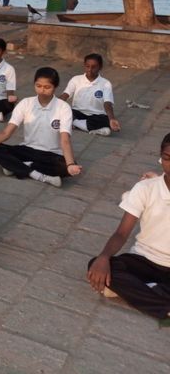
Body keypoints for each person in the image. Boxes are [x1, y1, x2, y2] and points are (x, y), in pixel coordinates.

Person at [87, 133, 170, 323]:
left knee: (107, 285)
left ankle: (144, 292)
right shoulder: (146, 188)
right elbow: (122, 233)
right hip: (143, 260)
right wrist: (104, 256)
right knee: (98, 266)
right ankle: (162, 303)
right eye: (167, 158)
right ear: (160, 157)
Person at [0, 67, 82, 188]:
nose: (42, 90)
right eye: (38, 86)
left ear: (55, 86)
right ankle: (37, 174)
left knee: (67, 168)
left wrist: (70, 164)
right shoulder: (25, 103)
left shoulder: (63, 107)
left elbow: (65, 140)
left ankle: (16, 166)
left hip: (52, 154)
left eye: (47, 87)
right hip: (27, 150)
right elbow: (6, 133)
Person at [59, 53, 121, 136]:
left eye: (94, 67)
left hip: (97, 115)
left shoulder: (105, 83)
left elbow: (107, 103)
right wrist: (54, 106)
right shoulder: (76, 79)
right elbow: (65, 95)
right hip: (77, 113)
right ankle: (93, 129)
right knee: (65, 112)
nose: (90, 69)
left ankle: (74, 123)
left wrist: (112, 119)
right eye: (87, 66)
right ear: (84, 66)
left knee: (106, 120)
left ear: (100, 67)